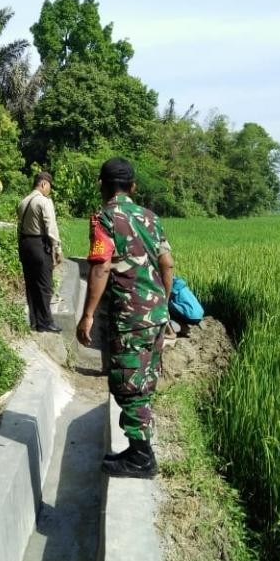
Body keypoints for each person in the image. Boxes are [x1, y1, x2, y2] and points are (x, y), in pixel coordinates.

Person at [76, 157, 174, 479]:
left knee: (128, 384)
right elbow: (167, 264)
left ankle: (141, 458)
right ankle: (137, 450)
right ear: (132, 187)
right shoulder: (150, 218)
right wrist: (164, 303)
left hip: (129, 318)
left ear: (102, 185)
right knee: (143, 381)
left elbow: (101, 266)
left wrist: (87, 315)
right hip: (155, 314)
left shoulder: (103, 218)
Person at [17, 172, 63, 333]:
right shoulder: (43, 201)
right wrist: (57, 248)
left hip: (24, 244)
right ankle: (46, 322)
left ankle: (35, 321)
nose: (49, 190)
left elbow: (19, 226)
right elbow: (51, 227)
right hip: (38, 244)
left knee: (31, 284)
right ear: (43, 184)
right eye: (49, 186)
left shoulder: (23, 202)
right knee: (45, 285)